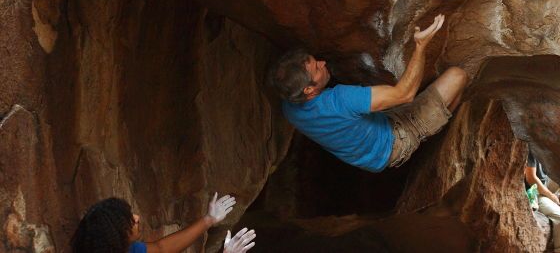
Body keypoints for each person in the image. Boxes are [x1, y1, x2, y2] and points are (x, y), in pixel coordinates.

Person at [271, 14, 467, 173]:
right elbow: (405, 94)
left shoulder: (290, 107)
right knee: (458, 76)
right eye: (317, 68)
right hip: (393, 143)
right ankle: (429, 134)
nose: (323, 63)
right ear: (309, 89)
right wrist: (421, 45)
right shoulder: (340, 100)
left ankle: (432, 122)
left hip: (366, 156)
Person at [71, 192, 255, 253]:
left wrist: (209, 220)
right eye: (129, 220)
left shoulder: (127, 249)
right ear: (117, 236)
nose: (136, 217)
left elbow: (160, 248)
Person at [525, 152, 560, 253]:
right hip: (535, 191)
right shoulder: (530, 148)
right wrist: (550, 195)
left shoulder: (543, 146)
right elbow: (530, 178)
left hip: (545, 183)